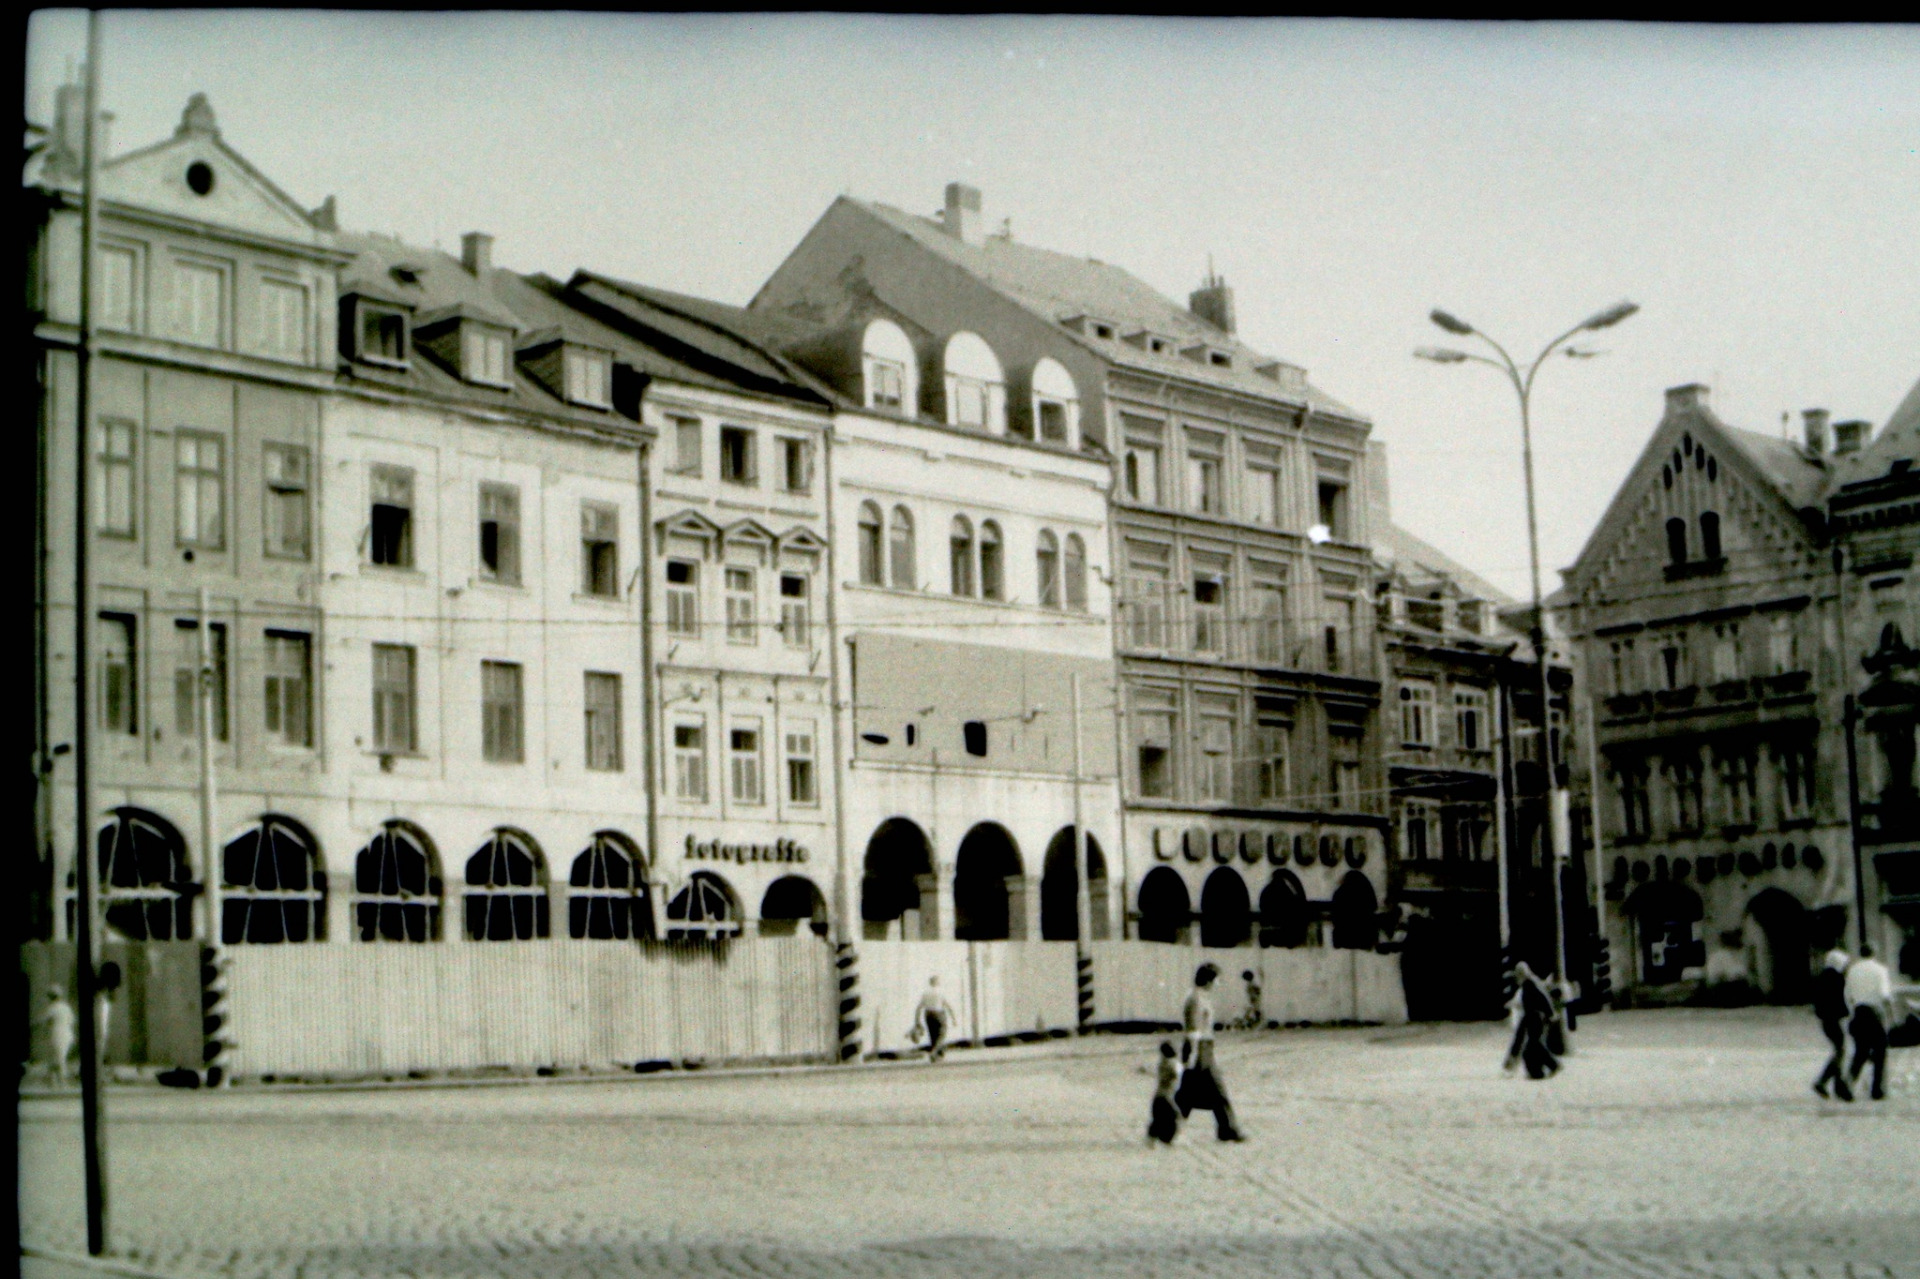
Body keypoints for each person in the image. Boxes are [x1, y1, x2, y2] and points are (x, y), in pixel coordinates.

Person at [1176, 964, 1245, 1142]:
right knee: (1216, 1090)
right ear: (1208, 980)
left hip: (1204, 1048)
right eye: (1217, 980)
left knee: (1187, 1095)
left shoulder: (1200, 997)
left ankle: (1168, 1128)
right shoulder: (1196, 999)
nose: (1218, 984)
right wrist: (1191, 1058)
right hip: (1198, 1048)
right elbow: (1194, 1030)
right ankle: (1228, 1130)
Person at [1845, 943, 1893, 1102]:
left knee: (1861, 1051)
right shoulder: (1880, 970)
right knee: (1880, 1051)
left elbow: (1848, 994)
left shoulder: (1853, 970)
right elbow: (1884, 994)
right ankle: (1877, 1089)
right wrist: (1890, 1015)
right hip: (1875, 1012)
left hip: (1859, 1012)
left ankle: (1848, 1082)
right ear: (1874, 953)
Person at [1502, 961, 1560, 1080]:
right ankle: (1536, 1072)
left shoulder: (1530, 983)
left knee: (1534, 1045)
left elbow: (1543, 998)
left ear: (1521, 973)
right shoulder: (1529, 983)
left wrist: (1551, 1013)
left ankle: (1551, 1065)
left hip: (1536, 1017)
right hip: (1531, 1016)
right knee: (1533, 1046)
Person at [1811, 948, 1854, 1102]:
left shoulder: (1822, 977)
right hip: (1834, 1019)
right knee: (1841, 1052)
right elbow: (1841, 1000)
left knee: (1839, 1051)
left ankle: (1837, 1086)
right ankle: (1823, 1082)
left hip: (1825, 1020)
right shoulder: (1837, 978)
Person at [1146, 1040, 1182, 1145]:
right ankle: (1163, 1139)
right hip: (1166, 1096)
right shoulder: (1173, 1063)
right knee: (1172, 1117)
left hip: (1160, 1096)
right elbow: (1174, 1076)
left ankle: (1154, 1139)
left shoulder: (1164, 1063)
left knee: (1159, 1119)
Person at [915, 975, 955, 1063]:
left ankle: (938, 1055)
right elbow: (948, 1006)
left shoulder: (925, 993)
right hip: (939, 1013)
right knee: (941, 1034)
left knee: (933, 1035)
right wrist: (953, 1018)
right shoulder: (941, 992)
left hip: (928, 1014)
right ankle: (934, 1052)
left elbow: (919, 1007)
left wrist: (917, 1020)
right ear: (937, 982)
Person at [43, 987, 76, 1083]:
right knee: (60, 1057)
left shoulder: (52, 1008)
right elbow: (72, 1021)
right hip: (67, 1034)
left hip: (57, 1034)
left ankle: (60, 1079)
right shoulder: (66, 1007)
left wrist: (45, 1033)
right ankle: (54, 1078)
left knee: (58, 1057)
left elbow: (46, 1022)